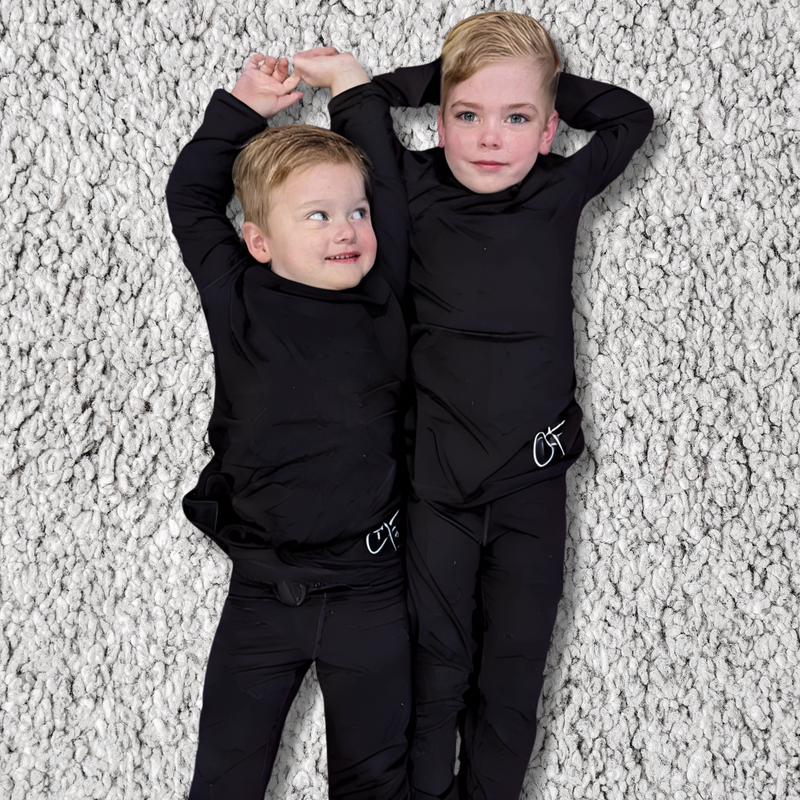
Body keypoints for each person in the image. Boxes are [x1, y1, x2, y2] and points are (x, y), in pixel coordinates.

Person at [327, 10, 654, 799]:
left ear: (547, 131)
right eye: (466, 115)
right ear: (438, 120)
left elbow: (629, 114)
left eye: (516, 119)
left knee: (510, 683)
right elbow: (363, 105)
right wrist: (444, 78)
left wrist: (532, 83)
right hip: (437, 482)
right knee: (435, 676)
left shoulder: (561, 185)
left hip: (533, 483)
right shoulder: (406, 184)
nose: (488, 138)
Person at [165, 50, 413, 800]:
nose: (346, 231)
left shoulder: (385, 293)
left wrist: (352, 92)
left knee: (373, 782)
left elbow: (392, 199)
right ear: (260, 244)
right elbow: (189, 197)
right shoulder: (239, 296)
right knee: (224, 779)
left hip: (371, 588)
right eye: (318, 215)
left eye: (354, 212)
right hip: (262, 595)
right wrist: (242, 107)